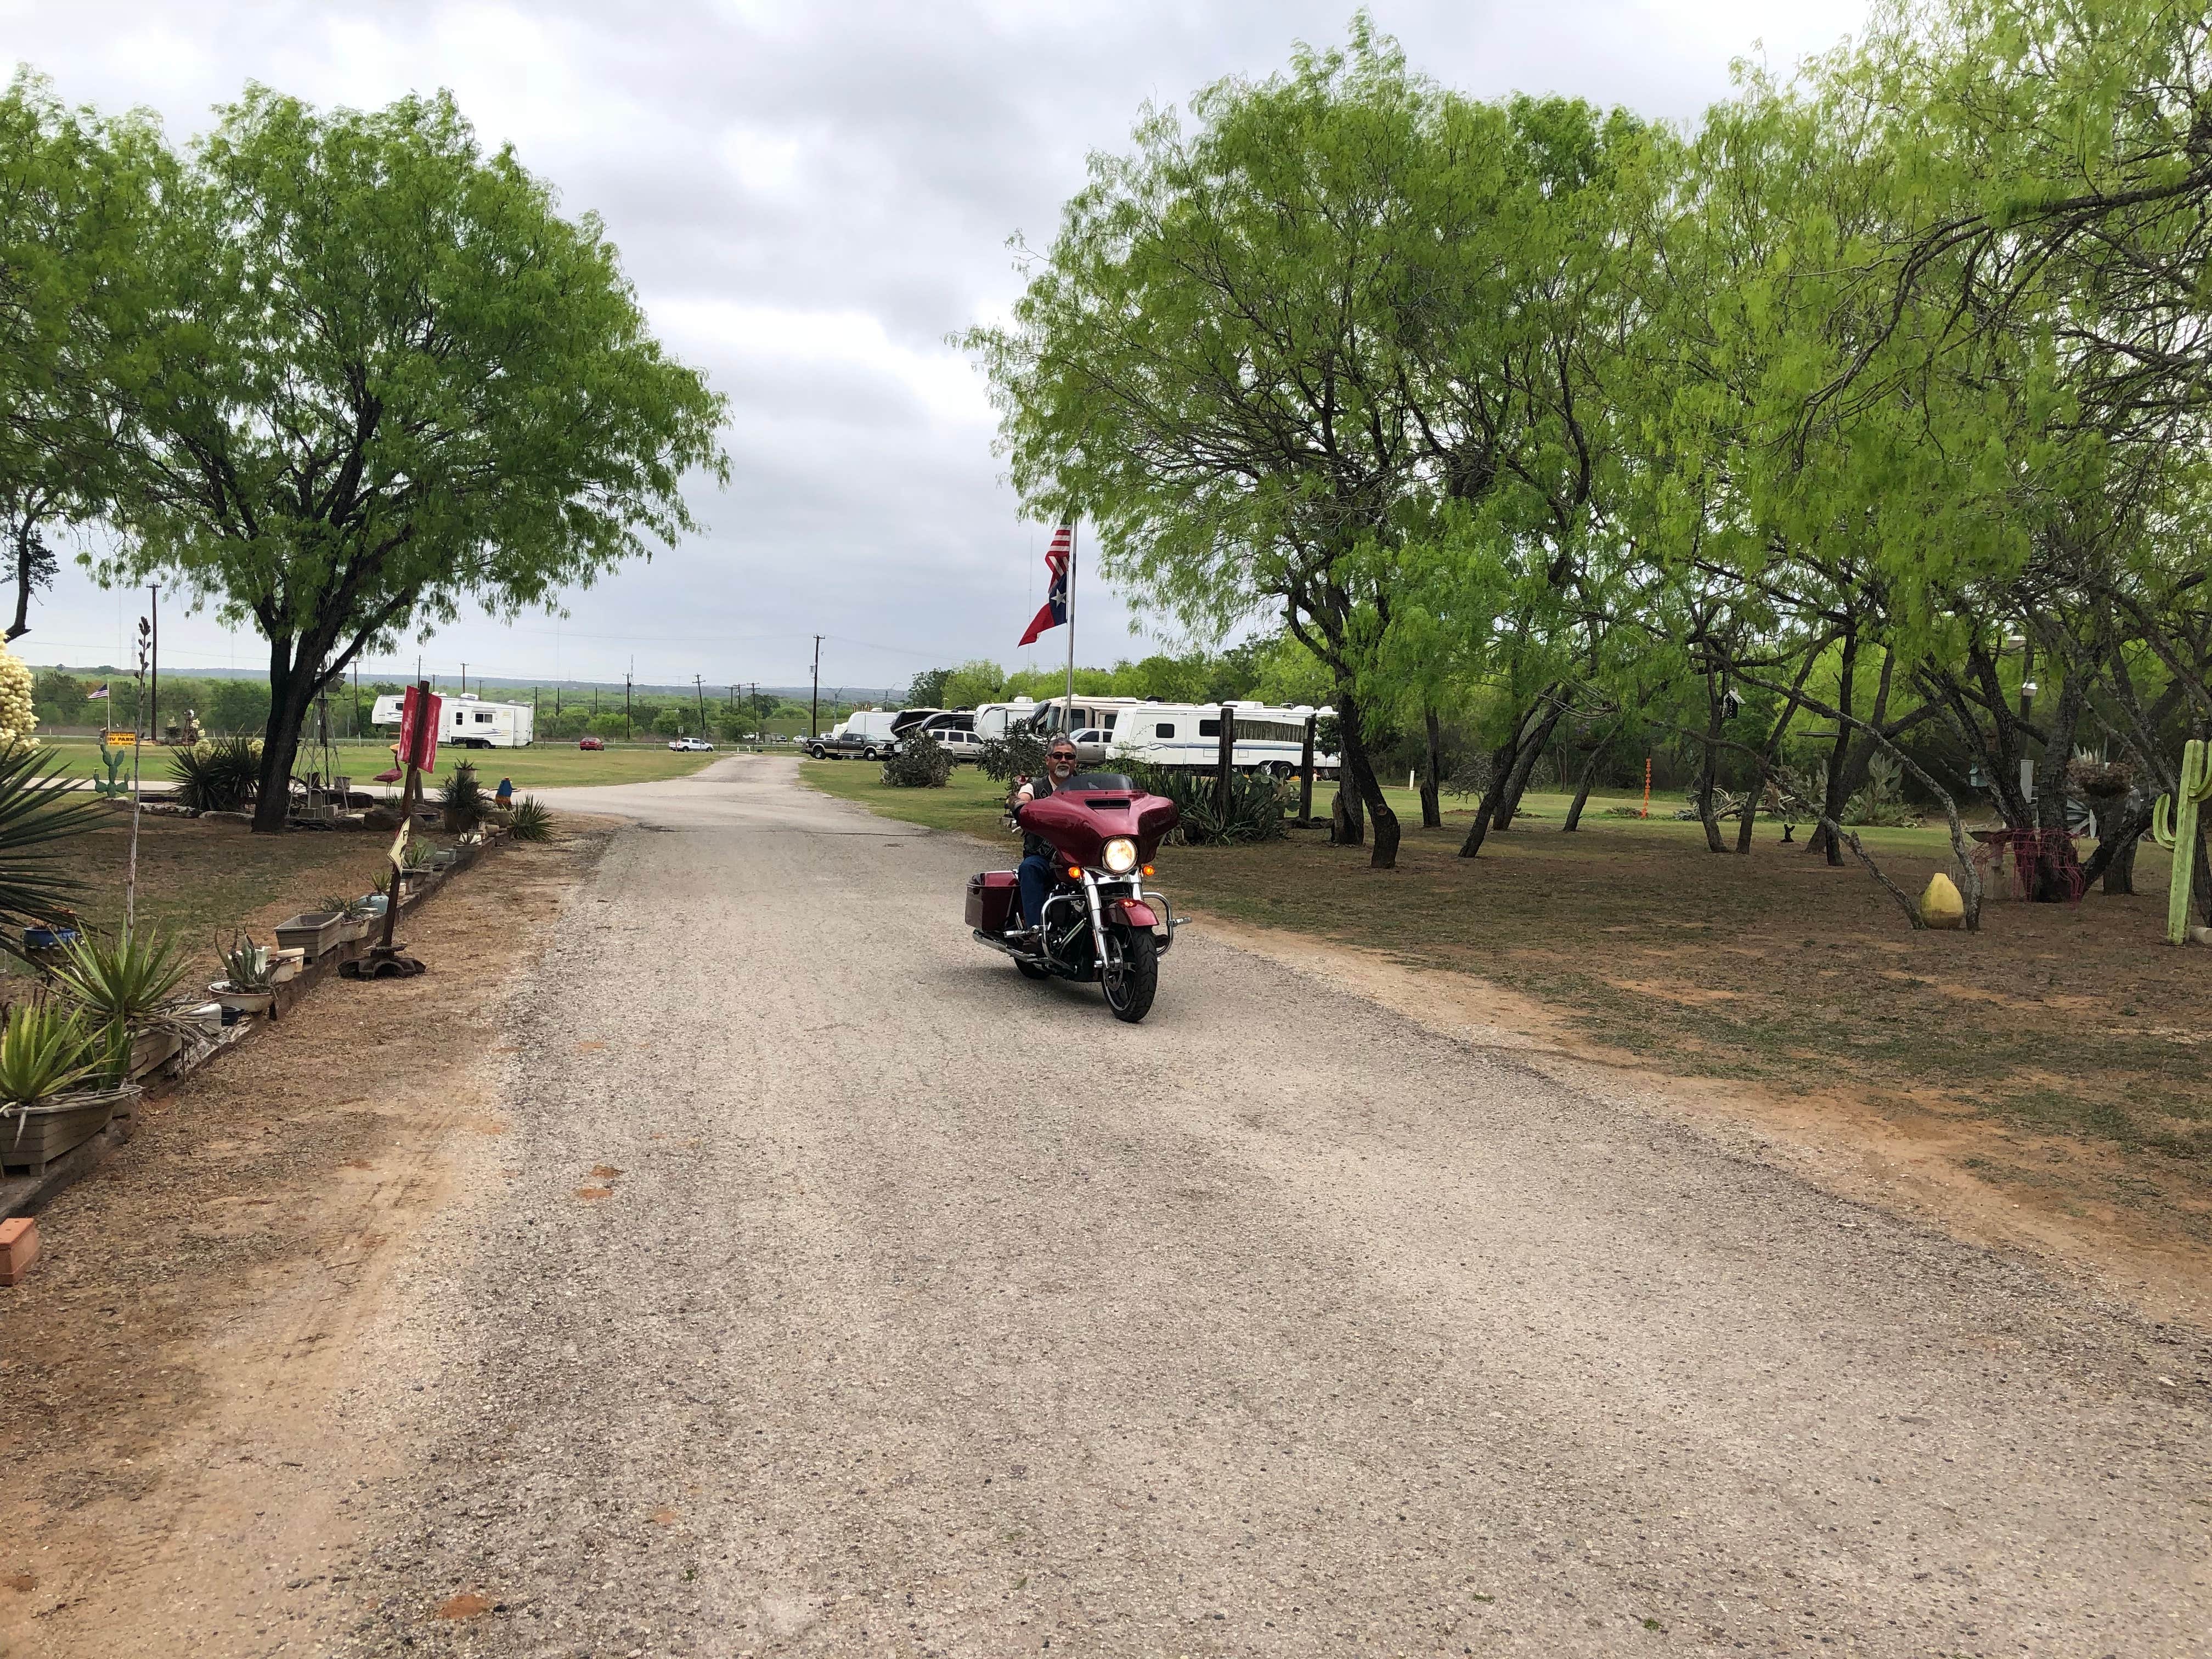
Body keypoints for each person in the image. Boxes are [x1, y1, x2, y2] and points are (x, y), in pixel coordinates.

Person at [1009, 735, 1081, 934]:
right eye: (1058, 756)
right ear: (1047, 759)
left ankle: (1131, 931)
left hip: (1081, 859)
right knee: (1029, 868)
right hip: (1044, 858)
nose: (1064, 760)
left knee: (1120, 872)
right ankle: (1035, 931)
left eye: (1069, 756)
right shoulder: (1035, 787)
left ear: (1076, 761)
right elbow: (1022, 798)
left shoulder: (1087, 788)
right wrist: (1020, 806)